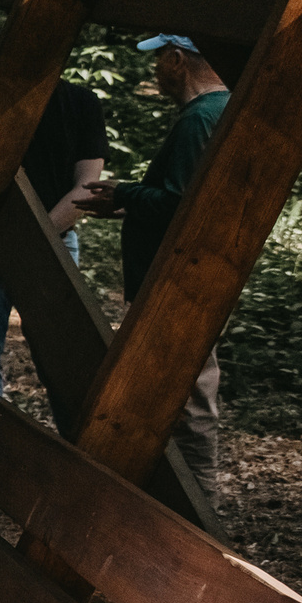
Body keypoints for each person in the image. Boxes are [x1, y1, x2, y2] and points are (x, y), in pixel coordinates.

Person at [75, 32, 230, 493]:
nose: (155, 69)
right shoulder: (217, 112)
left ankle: (200, 506)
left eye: (160, 58)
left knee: (189, 398)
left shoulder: (200, 117)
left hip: (178, 283)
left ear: (179, 58)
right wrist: (126, 204)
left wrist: (123, 192)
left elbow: (179, 203)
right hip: (188, 277)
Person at [0, 78, 106, 400]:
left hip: (53, 246)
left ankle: (70, 446)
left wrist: (22, 247)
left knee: (60, 360)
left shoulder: (80, 102)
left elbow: (86, 189)